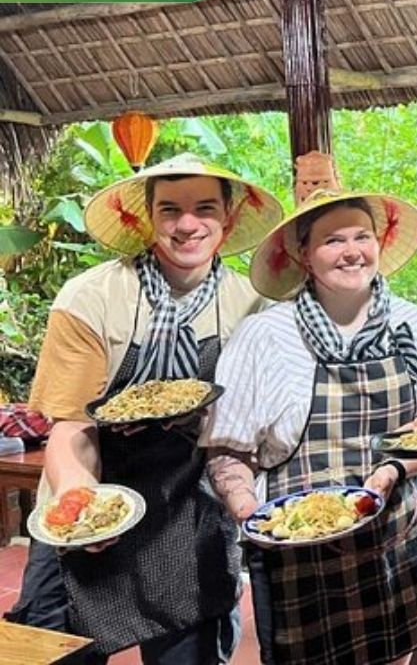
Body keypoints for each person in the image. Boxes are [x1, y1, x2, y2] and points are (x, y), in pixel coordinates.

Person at [12, 153, 283, 663]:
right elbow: (72, 427)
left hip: (191, 510)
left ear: (228, 218)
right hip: (89, 489)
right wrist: (82, 505)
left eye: (205, 208)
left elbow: (252, 426)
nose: (187, 224)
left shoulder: (253, 307)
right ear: (147, 218)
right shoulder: (91, 297)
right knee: (49, 650)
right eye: (169, 210)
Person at [201, 189, 417, 665]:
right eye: (333, 240)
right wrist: (253, 515)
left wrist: (393, 470)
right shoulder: (266, 335)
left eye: (362, 236)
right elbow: (227, 450)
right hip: (297, 553)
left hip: (397, 541)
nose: (351, 251)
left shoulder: (415, 325)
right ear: (303, 254)